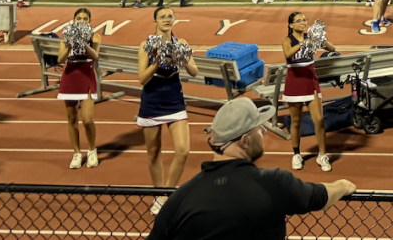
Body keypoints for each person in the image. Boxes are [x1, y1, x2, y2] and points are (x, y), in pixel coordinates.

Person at [147, 97, 355, 240]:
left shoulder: (181, 199)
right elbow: (319, 197)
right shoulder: (273, 184)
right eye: (259, 127)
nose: (264, 131)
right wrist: (343, 186)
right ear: (245, 140)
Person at [139, 6, 198, 213]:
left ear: (174, 20)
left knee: (183, 151)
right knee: (153, 153)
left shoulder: (181, 43)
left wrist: (182, 58)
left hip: (174, 100)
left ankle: (167, 194)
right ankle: (158, 195)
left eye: (170, 16)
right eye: (162, 17)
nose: (166, 19)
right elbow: (142, 79)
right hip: (152, 101)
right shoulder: (146, 45)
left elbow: (193, 71)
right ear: (154, 21)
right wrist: (156, 62)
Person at [282, 11, 339, 172]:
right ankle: (296, 154)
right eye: (298, 20)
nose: (303, 22)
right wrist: (303, 44)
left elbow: (332, 48)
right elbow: (287, 54)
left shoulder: (311, 38)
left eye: (304, 20)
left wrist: (321, 40)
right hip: (294, 82)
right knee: (296, 121)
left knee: (319, 120)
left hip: (310, 82)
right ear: (291, 25)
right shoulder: (288, 40)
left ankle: (322, 155)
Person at [58, 7, 102, 169]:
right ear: (74, 20)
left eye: (85, 19)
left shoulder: (95, 36)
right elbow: (61, 59)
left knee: (88, 118)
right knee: (71, 118)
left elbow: (95, 56)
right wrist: (70, 44)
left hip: (86, 75)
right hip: (70, 76)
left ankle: (91, 150)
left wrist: (83, 43)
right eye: (79, 19)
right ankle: (76, 153)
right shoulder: (66, 37)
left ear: (89, 21)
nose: (82, 21)